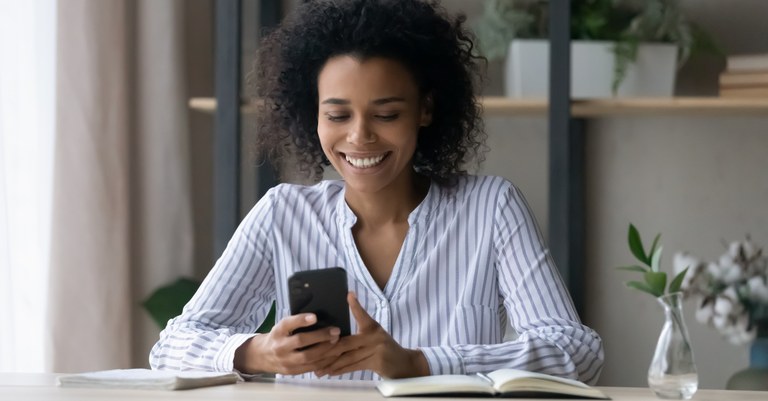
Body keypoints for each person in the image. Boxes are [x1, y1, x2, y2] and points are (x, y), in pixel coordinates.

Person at [149, 0, 604, 383]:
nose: (360, 137)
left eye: (385, 115)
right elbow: (172, 346)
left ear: (425, 110)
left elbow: (577, 352)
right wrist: (258, 353)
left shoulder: (491, 208)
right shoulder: (282, 213)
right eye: (338, 115)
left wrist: (420, 363)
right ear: (313, 115)